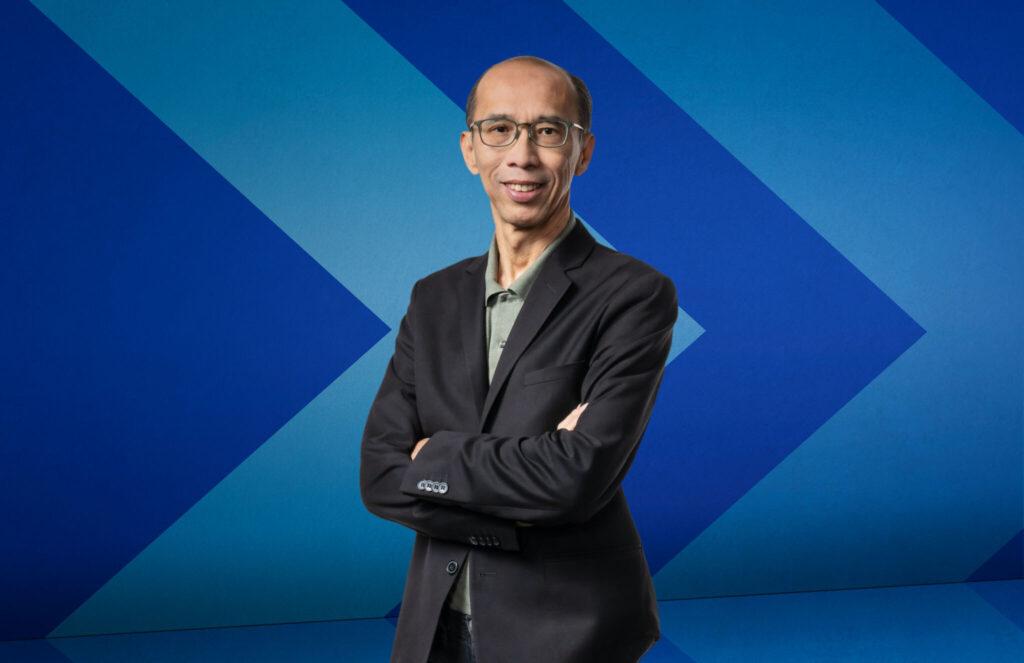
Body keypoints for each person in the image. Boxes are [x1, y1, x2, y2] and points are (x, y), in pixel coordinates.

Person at [360, 54, 677, 663]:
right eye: (499, 129)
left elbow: (576, 480)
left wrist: (437, 456)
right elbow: (379, 474)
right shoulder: (433, 297)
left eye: (548, 131)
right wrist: (520, 506)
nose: (522, 155)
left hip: (568, 628)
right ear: (470, 149)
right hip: (434, 624)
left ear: (582, 152)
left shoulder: (634, 294)